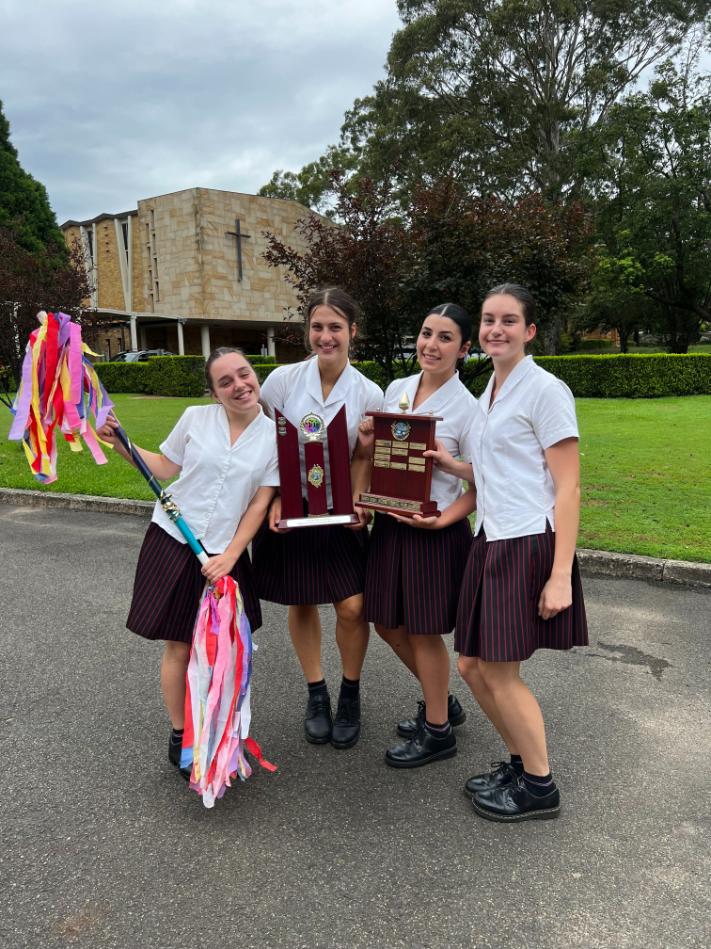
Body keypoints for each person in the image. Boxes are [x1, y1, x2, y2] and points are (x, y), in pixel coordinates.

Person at [436, 284, 588, 821]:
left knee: (499, 672)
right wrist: (447, 465)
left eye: (508, 320)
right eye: (488, 320)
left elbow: (568, 487)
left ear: (529, 331)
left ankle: (540, 787)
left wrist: (560, 574)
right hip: (491, 539)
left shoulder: (545, 390)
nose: (495, 329)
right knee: (471, 665)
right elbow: (493, 470)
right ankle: (521, 764)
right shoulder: (491, 392)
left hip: (526, 542)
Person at [97, 348, 279, 778]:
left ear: (255, 375)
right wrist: (121, 441)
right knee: (179, 645)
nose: (239, 386)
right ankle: (182, 736)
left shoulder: (275, 437)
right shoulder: (195, 419)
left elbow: (259, 503)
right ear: (214, 393)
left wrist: (230, 556)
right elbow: (163, 468)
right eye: (225, 382)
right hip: (174, 540)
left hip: (225, 554)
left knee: (221, 652)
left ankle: (218, 728)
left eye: (244, 374)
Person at [252, 288, 383, 749]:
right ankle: (316, 692)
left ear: (352, 332)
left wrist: (361, 498)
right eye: (317, 327)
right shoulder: (282, 382)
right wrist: (273, 498)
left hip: (339, 510)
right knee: (302, 600)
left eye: (335, 327)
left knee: (353, 606)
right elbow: (264, 445)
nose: (325, 336)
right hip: (293, 506)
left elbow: (363, 456)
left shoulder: (369, 392)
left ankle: (350, 692)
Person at [360, 304, 477, 768]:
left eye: (446, 338)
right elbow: (384, 455)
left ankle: (438, 731)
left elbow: (483, 483)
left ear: (464, 349)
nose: (431, 344)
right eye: (427, 333)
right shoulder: (397, 389)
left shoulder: (469, 409)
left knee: (424, 632)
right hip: (391, 524)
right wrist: (369, 441)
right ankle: (439, 699)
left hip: (433, 531)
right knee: (387, 623)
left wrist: (444, 518)